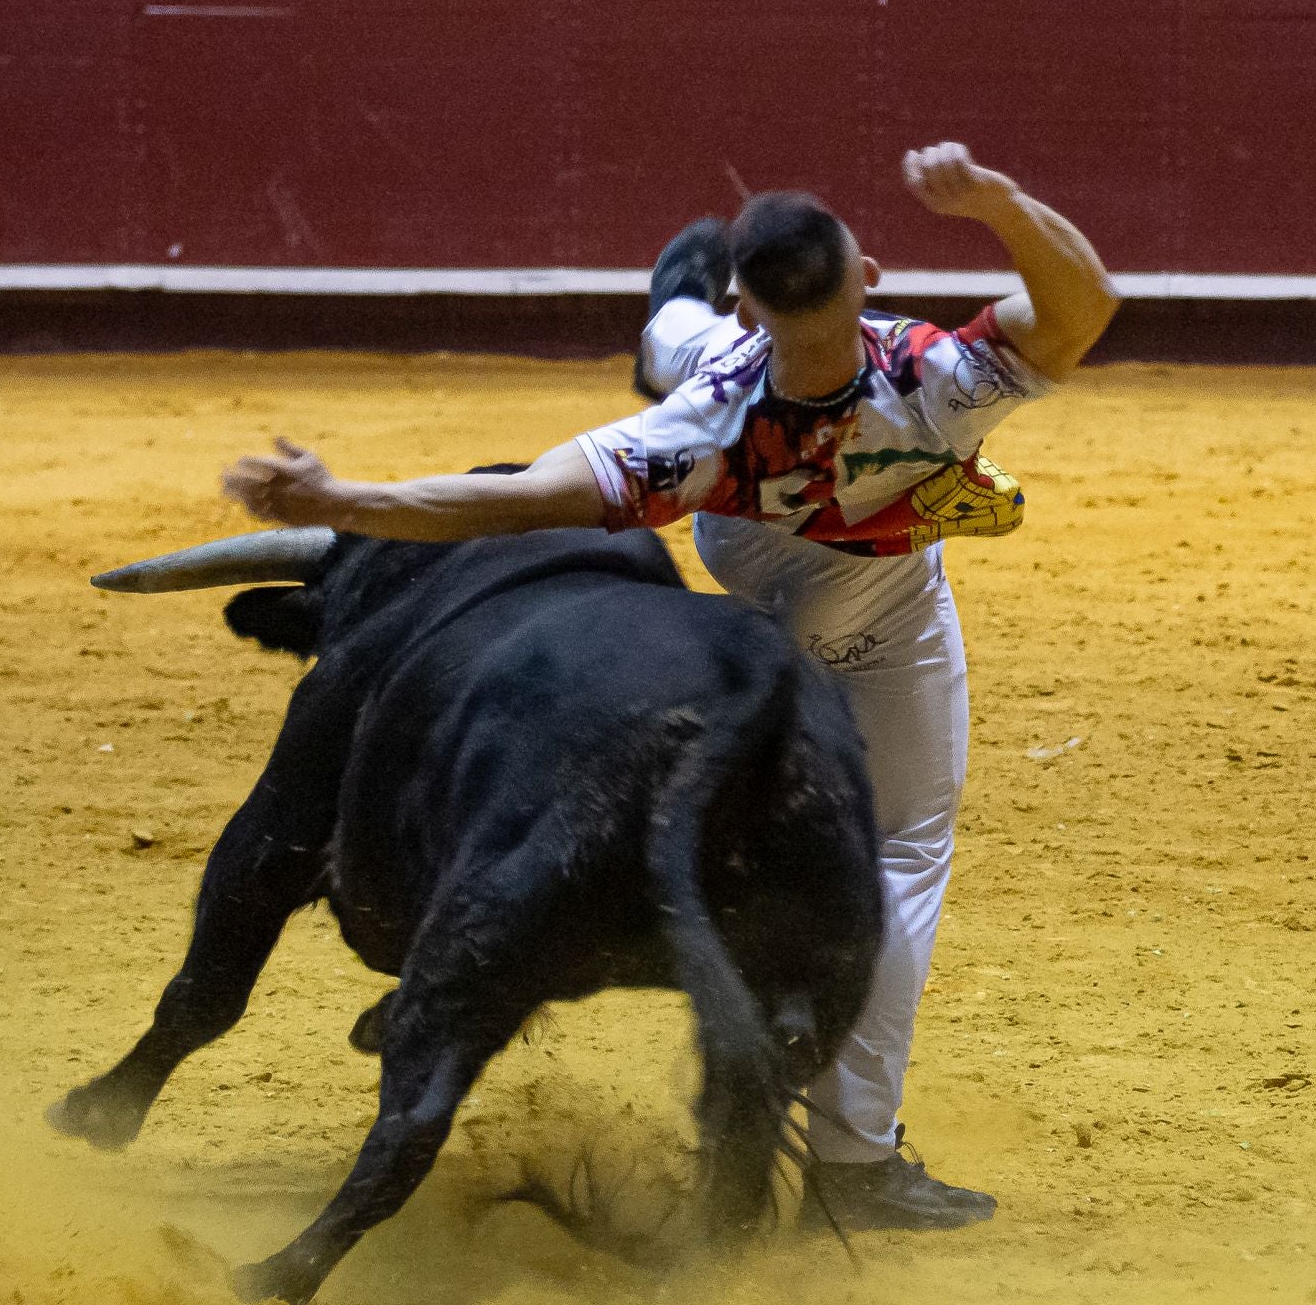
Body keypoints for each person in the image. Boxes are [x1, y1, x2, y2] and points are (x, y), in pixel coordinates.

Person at [222, 144, 1120, 1229]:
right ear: (871, 277)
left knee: (687, 355)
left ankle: (669, 322)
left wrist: (344, 497)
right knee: (902, 854)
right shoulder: (932, 375)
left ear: (752, 307)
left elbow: (512, 499)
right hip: (881, 621)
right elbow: (1085, 303)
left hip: (742, 574)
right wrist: (995, 201)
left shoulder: (701, 421)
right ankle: (854, 1158)